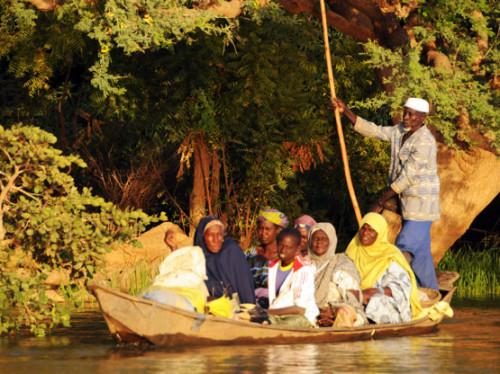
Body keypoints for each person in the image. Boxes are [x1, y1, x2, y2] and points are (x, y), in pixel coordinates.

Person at [330, 97, 440, 290]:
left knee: (403, 246)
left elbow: (407, 178)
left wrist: (381, 202)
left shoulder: (425, 142)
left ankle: (392, 289)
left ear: (422, 117)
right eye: (405, 112)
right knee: (421, 258)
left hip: (421, 205)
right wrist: (346, 111)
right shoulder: (400, 131)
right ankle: (432, 293)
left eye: (411, 114)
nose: (406, 117)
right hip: (406, 203)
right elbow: (375, 130)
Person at [346, 213, 422, 324]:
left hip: (382, 298)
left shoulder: (390, 254)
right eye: (364, 228)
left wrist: (372, 292)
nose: (365, 233)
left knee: (376, 301)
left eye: (371, 230)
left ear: (379, 234)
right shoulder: (353, 249)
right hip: (356, 297)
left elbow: (401, 287)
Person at [307, 223, 367, 327]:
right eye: (315, 238)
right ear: (310, 242)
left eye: (324, 239)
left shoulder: (342, 262)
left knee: (346, 314)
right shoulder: (302, 263)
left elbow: (352, 296)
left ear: (331, 241)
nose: (319, 242)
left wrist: (332, 312)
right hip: (308, 310)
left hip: (335, 310)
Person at [141, 230, 208, 313]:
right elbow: (180, 271)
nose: (215, 239)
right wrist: (174, 247)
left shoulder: (220, 259)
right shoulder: (194, 260)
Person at [193, 216, 255, 304]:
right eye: (210, 235)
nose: (215, 240)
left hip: (236, 310)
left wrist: (249, 311)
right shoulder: (197, 258)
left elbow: (245, 286)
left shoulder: (232, 251)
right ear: (203, 237)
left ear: (223, 237)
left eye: (219, 235)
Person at [267, 227, 319, 327]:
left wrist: (268, 312)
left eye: (288, 247)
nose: (283, 250)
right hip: (277, 314)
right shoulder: (273, 266)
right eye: (281, 245)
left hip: (301, 317)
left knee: (282, 324)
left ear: (298, 248)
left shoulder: (304, 270)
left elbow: (300, 309)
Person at [245, 208, 288, 308]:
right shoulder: (250, 253)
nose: (263, 232)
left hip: (278, 305)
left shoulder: (285, 255)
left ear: (277, 230)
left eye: (268, 229)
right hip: (250, 303)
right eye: (260, 228)